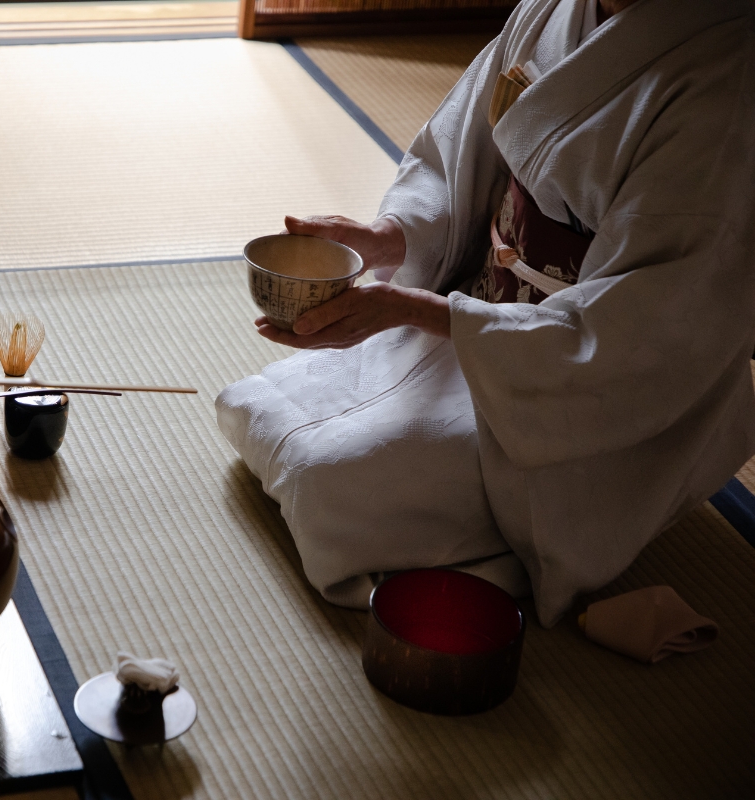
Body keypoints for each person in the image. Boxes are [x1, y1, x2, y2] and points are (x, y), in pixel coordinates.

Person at [216, 0, 755, 626]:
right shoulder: (553, 9)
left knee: (326, 479)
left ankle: (527, 552)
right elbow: (459, 156)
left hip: (580, 390)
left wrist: (425, 314)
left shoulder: (725, 82)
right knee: (256, 407)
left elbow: (653, 328)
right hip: (484, 311)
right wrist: (391, 236)